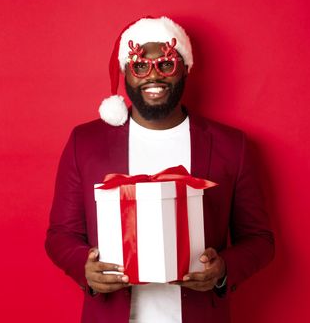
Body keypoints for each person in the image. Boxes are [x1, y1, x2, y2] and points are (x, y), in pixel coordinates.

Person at [45, 16, 274, 323]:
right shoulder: (85, 143)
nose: (154, 76)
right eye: (140, 66)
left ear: (185, 68)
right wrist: (85, 269)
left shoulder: (232, 146)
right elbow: (60, 235)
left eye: (166, 65)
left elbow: (259, 239)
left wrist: (223, 271)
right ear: (127, 72)